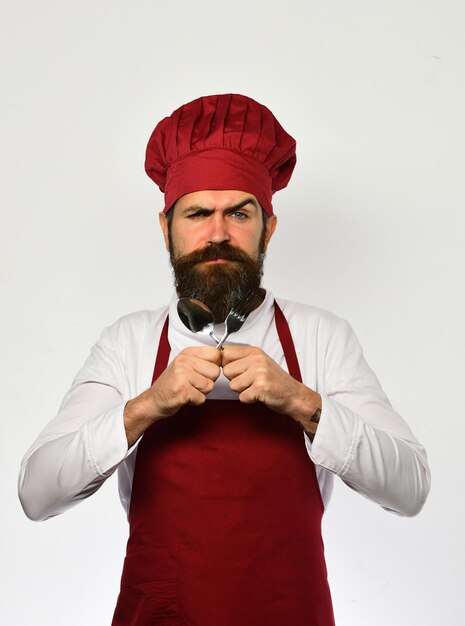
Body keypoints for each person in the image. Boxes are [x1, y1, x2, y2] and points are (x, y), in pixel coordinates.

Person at [19, 94, 431, 626]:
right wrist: (146, 406)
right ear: (166, 227)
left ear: (269, 226)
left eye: (239, 212)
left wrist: (301, 402)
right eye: (198, 213)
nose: (218, 233)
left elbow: (411, 488)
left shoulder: (318, 336)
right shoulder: (129, 343)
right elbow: (36, 493)